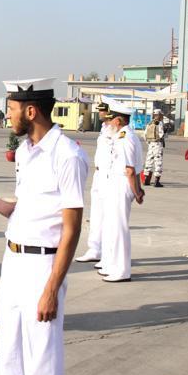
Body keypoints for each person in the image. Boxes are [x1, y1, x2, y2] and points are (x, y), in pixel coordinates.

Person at [0, 77, 87, 375]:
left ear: (31, 110)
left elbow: (71, 228)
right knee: (9, 350)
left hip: (42, 267)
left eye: (11, 108)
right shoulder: (25, 152)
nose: (8, 115)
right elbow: (27, 209)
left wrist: (52, 287)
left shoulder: (67, 155)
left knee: (42, 361)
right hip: (14, 260)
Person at [97, 104, 144, 283]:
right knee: (111, 227)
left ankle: (123, 270)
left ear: (118, 120)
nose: (109, 123)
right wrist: (137, 190)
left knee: (119, 229)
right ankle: (111, 264)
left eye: (111, 119)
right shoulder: (121, 136)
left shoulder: (126, 138)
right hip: (115, 183)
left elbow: (131, 169)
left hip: (121, 184)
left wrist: (137, 191)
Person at [75, 99, 113, 264]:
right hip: (99, 174)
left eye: (102, 111)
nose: (100, 113)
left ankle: (108, 252)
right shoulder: (104, 129)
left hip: (110, 176)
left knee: (108, 216)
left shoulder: (116, 131)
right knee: (96, 214)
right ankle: (94, 248)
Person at [143, 108, 165, 188]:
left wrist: (149, 143)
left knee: (149, 162)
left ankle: (146, 180)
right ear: (158, 115)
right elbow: (161, 134)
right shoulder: (159, 123)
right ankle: (156, 181)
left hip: (150, 145)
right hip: (157, 144)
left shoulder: (149, 123)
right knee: (158, 162)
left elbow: (144, 135)